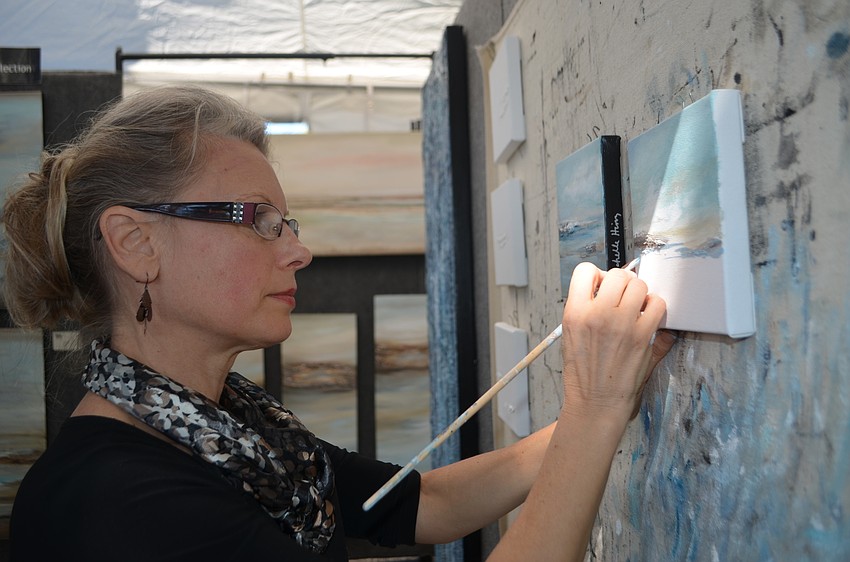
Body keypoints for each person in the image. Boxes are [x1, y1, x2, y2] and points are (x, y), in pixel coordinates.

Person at [5, 85, 674, 561]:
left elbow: (425, 504)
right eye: (258, 220)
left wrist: (604, 403)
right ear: (135, 243)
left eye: (286, 222)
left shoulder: (234, 430)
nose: (298, 249)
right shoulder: (115, 503)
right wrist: (595, 408)